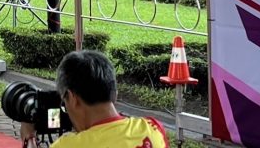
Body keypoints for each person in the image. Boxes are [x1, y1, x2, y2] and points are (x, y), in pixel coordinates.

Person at [20, 50, 169, 148]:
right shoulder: (152, 129)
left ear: (72, 98)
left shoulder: (67, 145)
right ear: (115, 94)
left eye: (64, 102)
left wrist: (29, 138)